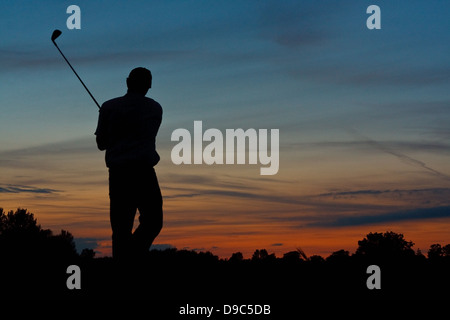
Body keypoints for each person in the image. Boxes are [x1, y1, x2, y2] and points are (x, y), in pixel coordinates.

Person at [95, 67, 163, 260]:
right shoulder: (155, 108)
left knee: (121, 229)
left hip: (119, 175)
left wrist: (110, 123)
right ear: (149, 85)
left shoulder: (109, 107)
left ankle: (125, 260)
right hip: (144, 174)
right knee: (153, 222)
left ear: (127, 82)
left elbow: (102, 144)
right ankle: (129, 260)